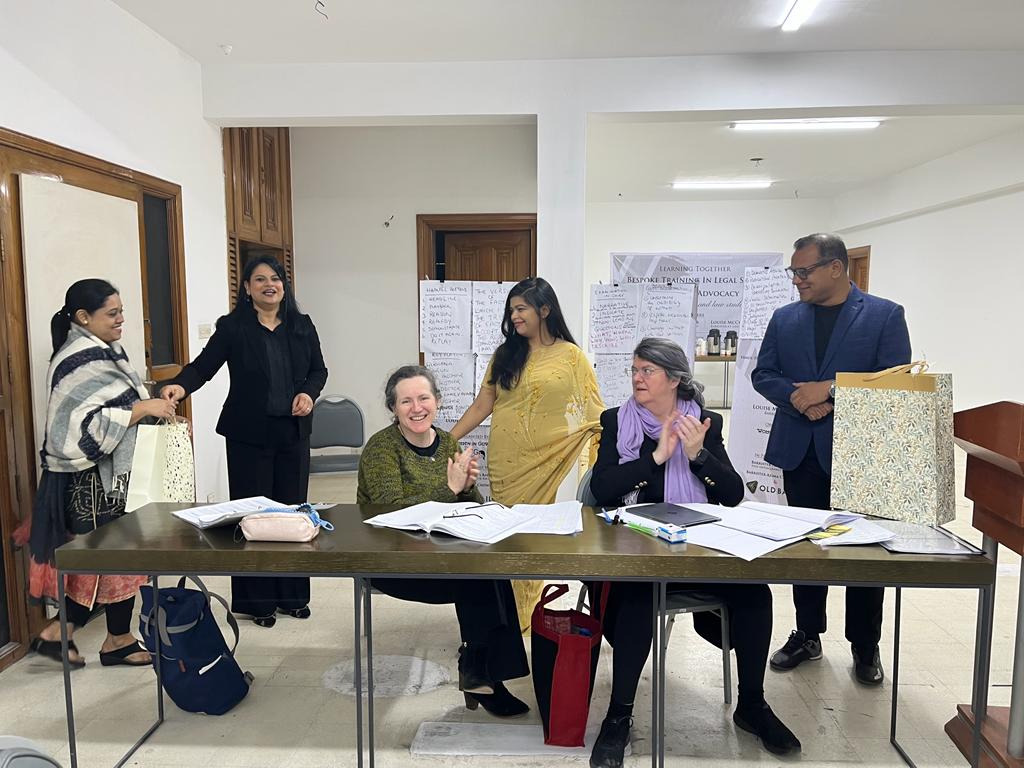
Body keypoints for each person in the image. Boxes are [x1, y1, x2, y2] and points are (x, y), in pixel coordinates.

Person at [587, 338, 800, 766]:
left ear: (674, 379)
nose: (637, 378)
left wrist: (698, 455)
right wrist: (656, 457)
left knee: (755, 593)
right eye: (634, 370)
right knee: (637, 598)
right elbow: (603, 489)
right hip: (637, 551)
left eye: (647, 370)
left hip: (695, 550)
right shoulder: (615, 421)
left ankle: (752, 705)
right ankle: (618, 716)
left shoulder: (704, 423)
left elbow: (732, 494)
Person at [752, 232, 911, 685]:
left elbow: (896, 380)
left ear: (836, 268)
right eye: (794, 271)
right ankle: (807, 634)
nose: (797, 279)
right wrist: (799, 399)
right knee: (807, 548)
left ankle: (865, 645)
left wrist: (833, 391)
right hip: (799, 451)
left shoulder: (884, 315)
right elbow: (763, 374)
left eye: (804, 271)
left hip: (859, 455)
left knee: (864, 551)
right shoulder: (784, 318)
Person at [160, 256, 328, 628]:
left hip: (293, 434)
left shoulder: (302, 325)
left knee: (293, 515)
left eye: (276, 278)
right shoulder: (233, 327)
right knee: (255, 518)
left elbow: (319, 370)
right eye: (260, 279)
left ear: (284, 285)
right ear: (248, 288)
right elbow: (204, 367)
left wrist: (308, 393)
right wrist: (180, 387)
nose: (270, 285)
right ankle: (258, 601)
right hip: (248, 437)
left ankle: (293, 596)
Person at [357, 365, 530, 717]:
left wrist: (467, 488)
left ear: (437, 401)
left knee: (491, 569)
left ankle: (483, 671)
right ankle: (479, 673)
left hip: (441, 554)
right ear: (393, 408)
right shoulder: (382, 448)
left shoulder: (448, 442)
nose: (416, 408)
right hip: (392, 562)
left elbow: (470, 507)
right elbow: (391, 514)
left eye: (423, 398)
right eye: (406, 401)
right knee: (477, 578)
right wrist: (449, 487)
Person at [21, 279, 177, 668]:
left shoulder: (106, 352)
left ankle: (114, 639)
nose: (121, 319)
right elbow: (80, 429)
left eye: (121, 311)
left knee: (122, 560)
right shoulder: (78, 359)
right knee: (106, 562)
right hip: (88, 479)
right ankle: (61, 636)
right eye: (112, 313)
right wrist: (143, 409)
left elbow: (120, 404)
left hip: (111, 475)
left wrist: (155, 412)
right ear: (83, 317)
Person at [450, 277, 604, 630]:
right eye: (512, 310)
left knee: (533, 538)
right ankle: (505, 613)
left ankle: (524, 616)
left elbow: (593, 409)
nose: (514, 316)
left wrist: (618, 442)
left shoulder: (571, 356)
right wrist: (446, 438)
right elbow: (483, 405)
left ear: (544, 310)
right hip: (506, 460)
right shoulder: (505, 355)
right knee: (507, 538)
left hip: (547, 460)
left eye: (521, 309)